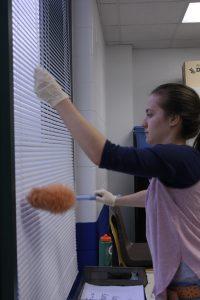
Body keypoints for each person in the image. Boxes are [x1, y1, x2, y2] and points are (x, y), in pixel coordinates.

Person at [34, 66, 200, 300]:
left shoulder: (175, 156)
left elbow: (105, 155)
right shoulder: (181, 160)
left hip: (190, 280)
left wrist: (58, 99)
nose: (144, 122)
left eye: (150, 114)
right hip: (184, 274)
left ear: (174, 119)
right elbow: (155, 196)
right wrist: (116, 200)